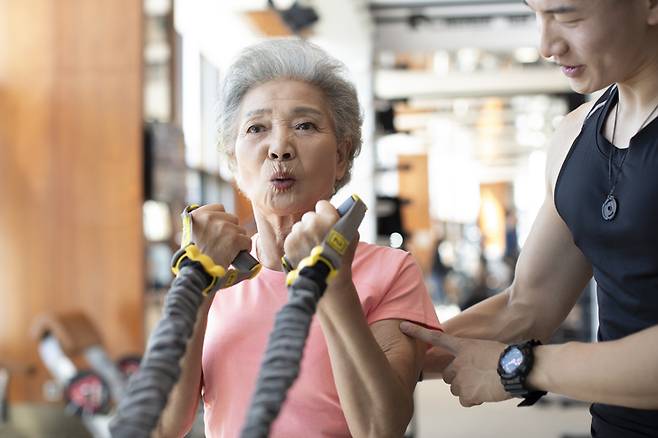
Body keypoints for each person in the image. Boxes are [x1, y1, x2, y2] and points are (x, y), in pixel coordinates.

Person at [155, 38, 441, 438]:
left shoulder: (390, 271)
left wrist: (333, 283)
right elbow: (163, 426)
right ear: (235, 162)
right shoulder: (212, 271)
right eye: (256, 128)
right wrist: (198, 290)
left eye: (304, 126)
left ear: (342, 155)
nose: (279, 148)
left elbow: (381, 427)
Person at [400, 1, 658, 437]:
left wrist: (523, 367)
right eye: (536, 14)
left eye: (569, 16)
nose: (546, 45)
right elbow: (527, 306)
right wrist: (385, 355)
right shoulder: (575, 135)